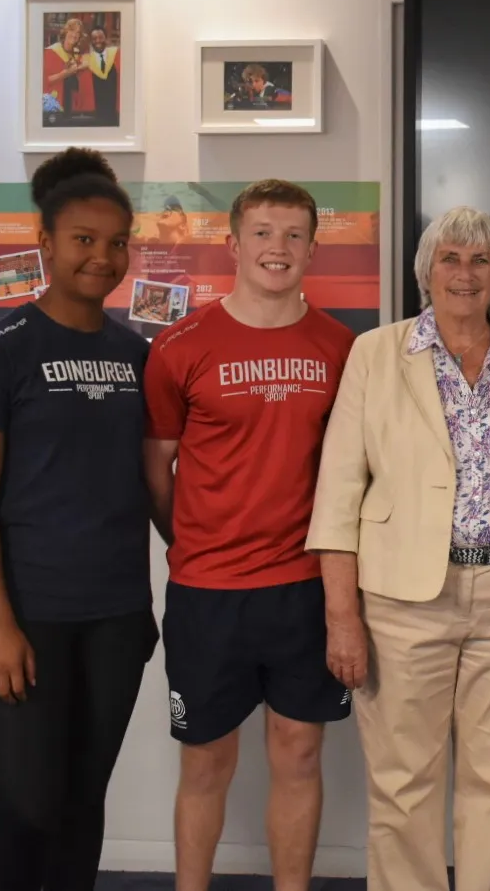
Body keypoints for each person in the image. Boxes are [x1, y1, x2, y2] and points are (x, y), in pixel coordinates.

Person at [305, 206, 490, 891]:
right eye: (450, 258)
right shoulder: (376, 355)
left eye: (480, 260)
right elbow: (338, 495)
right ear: (425, 271)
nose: (465, 274)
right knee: (403, 783)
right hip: (403, 599)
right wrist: (341, 615)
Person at [0, 147, 158, 890]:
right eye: (83, 240)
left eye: (117, 243)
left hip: (117, 617)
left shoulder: (137, 354)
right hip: (25, 618)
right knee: (28, 806)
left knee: (80, 804)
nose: (102, 258)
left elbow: (154, 484)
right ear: (45, 243)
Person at [142, 179, 356, 891]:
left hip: (303, 590)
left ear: (312, 249)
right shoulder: (180, 345)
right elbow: (158, 464)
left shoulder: (340, 347)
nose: (278, 248)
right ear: (233, 244)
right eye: (263, 233)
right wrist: (198, 542)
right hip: (208, 594)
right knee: (206, 763)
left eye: (295, 235)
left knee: (298, 753)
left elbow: (351, 471)